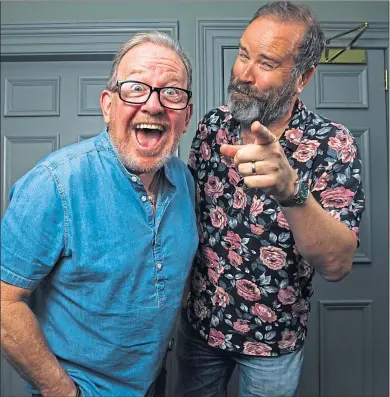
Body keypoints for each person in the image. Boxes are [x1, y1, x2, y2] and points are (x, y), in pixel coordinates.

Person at [175, 2, 365, 397]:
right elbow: (187, 220)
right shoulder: (212, 126)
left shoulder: (333, 143)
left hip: (273, 342)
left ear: (302, 77)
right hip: (201, 328)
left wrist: (291, 192)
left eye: (266, 62)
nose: (243, 73)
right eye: (244, 54)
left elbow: (337, 265)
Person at [1, 31, 198, 397]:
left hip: (156, 383)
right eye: (136, 88)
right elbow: (3, 303)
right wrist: (64, 392)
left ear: (185, 117)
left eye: (171, 92)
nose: (154, 105)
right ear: (108, 105)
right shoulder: (53, 184)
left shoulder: (185, 183)